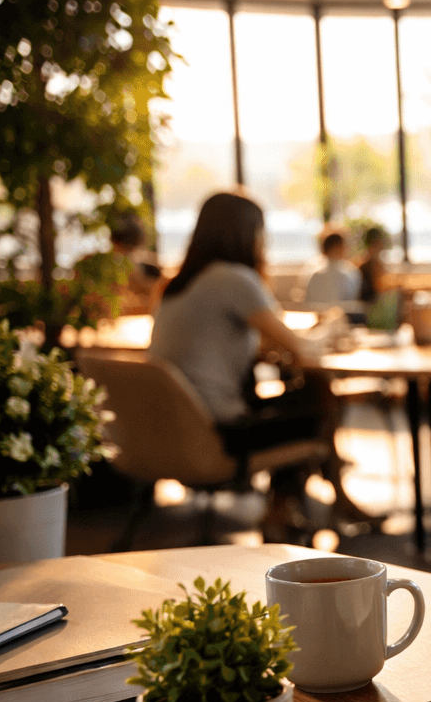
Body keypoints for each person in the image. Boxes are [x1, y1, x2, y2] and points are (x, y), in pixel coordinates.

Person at [149, 192, 360, 541]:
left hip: (172, 429)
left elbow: (221, 344)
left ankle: (310, 502)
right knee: (317, 399)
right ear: (247, 234)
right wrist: (333, 324)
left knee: (311, 394)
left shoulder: (177, 284)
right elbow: (303, 351)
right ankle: (293, 505)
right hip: (219, 434)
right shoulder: (234, 279)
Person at [303, 230, 361, 304]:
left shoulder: (313, 274)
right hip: (340, 314)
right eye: (344, 246)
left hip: (318, 314)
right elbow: (353, 300)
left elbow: (307, 301)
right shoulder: (347, 276)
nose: (347, 249)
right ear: (338, 248)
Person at [358, 226, 391, 305]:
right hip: (372, 310)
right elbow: (382, 288)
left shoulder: (363, 264)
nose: (382, 246)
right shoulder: (373, 265)